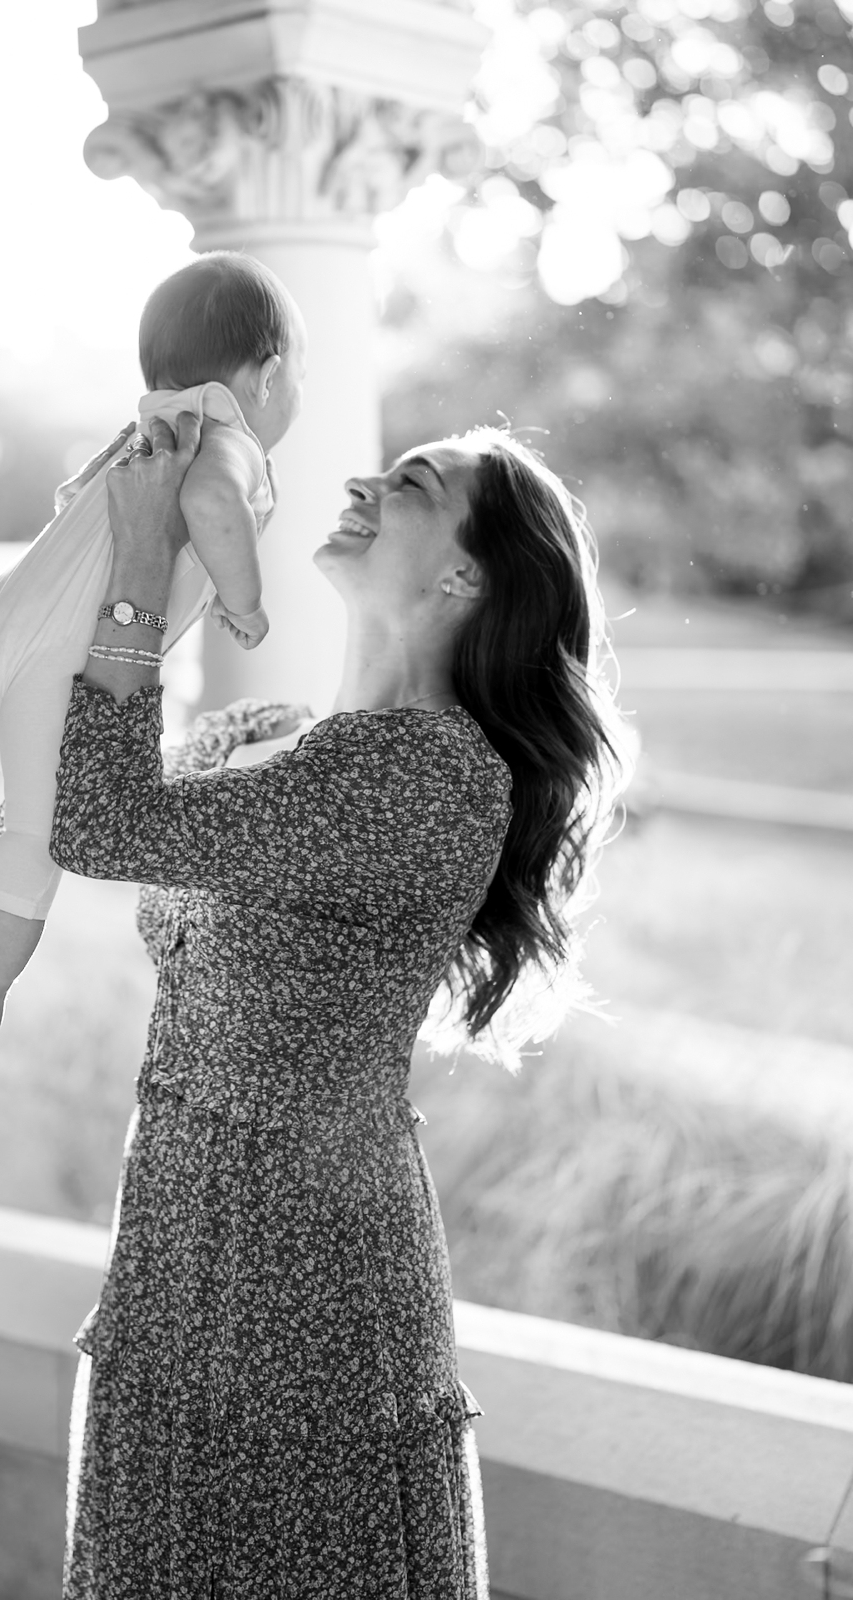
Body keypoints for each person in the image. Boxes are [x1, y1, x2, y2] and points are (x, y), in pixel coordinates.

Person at [49, 413, 632, 1597]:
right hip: (185, 1243)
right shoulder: (332, 753)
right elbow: (149, 849)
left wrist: (141, 567)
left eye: (412, 482)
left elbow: (100, 825)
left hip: (299, 1277)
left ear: (465, 572)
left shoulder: (410, 771)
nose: (368, 479)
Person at [0, 252, 306, 1067]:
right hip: (57, 662)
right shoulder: (227, 438)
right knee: (38, 832)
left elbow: (73, 506)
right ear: (268, 377)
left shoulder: (146, 432)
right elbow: (207, 504)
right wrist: (245, 601)